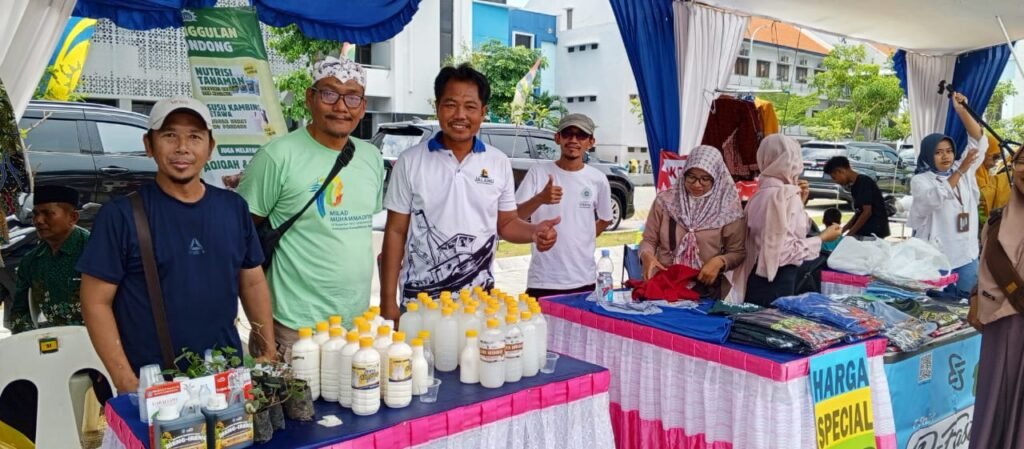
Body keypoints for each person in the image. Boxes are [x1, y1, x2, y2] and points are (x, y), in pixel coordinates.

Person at [78, 96, 276, 393]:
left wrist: (267, 350)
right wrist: (126, 381)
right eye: (169, 135)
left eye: (194, 137)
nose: (182, 147)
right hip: (155, 387)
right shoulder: (120, 216)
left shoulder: (233, 208)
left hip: (226, 377)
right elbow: (95, 302)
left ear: (210, 147)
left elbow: (252, 282)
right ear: (149, 144)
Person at [379, 64, 560, 320]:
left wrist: (534, 232)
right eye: (450, 104)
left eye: (470, 107)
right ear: (438, 107)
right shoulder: (410, 161)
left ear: (483, 112)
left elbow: (506, 223)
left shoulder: (498, 162)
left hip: (479, 305)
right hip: (419, 305)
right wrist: (388, 303)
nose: (460, 115)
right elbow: (395, 231)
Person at [238, 57, 384, 357]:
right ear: (310, 97)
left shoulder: (371, 158)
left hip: (356, 327)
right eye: (330, 94)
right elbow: (241, 240)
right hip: (293, 329)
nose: (342, 107)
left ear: (363, 105)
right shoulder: (277, 156)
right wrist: (264, 337)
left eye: (352, 97)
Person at [515, 113, 614, 299]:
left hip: (583, 279)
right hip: (544, 279)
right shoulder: (539, 173)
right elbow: (515, 217)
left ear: (591, 142)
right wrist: (540, 199)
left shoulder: (598, 179)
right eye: (568, 134)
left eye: (581, 135)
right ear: (557, 138)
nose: (573, 140)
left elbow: (605, 219)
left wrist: (582, 237)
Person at [736, 135, 842, 306]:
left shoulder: (759, 195)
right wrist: (822, 238)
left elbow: (773, 235)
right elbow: (783, 253)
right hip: (777, 281)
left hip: (754, 277)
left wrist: (800, 203)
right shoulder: (785, 196)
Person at [968, 148, 1024, 449]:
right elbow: (983, 266)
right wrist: (976, 297)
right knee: (992, 405)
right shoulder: (998, 219)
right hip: (1000, 327)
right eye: (1022, 162)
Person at [639, 145, 746, 298]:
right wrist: (647, 255)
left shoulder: (728, 210)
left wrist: (720, 261)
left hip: (706, 288)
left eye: (705, 179)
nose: (697, 184)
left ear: (717, 177)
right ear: (684, 174)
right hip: (665, 283)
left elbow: (737, 252)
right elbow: (649, 240)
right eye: (692, 177)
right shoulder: (666, 202)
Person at [909, 92, 985, 298]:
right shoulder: (921, 180)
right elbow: (933, 198)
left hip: (967, 256)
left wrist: (962, 111)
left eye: (949, 151)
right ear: (928, 155)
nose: (945, 156)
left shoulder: (964, 170)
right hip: (936, 258)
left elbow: (979, 141)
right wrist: (961, 171)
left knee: (968, 310)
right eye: (938, 152)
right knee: (939, 311)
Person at [7, 186, 88, 332]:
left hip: (97, 341)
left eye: (47, 214)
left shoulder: (95, 251)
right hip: (53, 341)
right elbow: (19, 312)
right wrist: (33, 339)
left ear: (73, 218)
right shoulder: (31, 261)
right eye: (35, 214)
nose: (38, 220)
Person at [823, 156, 891, 239]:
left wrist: (849, 234)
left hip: (872, 232)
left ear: (840, 171)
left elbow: (867, 212)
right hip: (863, 231)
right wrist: (842, 231)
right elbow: (858, 213)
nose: (836, 181)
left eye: (834, 178)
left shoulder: (864, 182)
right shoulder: (855, 186)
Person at [976, 134, 1012, 225]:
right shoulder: (970, 174)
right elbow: (981, 198)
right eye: (995, 156)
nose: (996, 162)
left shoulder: (986, 175)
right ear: (983, 153)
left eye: (999, 158)